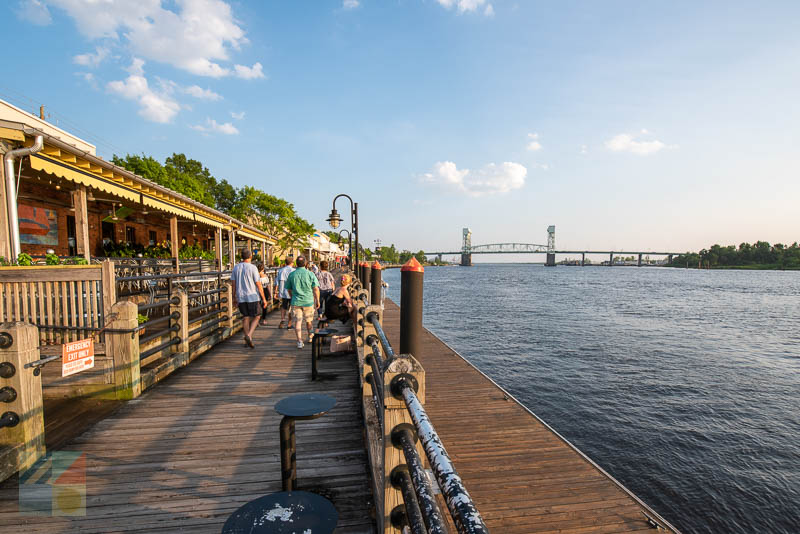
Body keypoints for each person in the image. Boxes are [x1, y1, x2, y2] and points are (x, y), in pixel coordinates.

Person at [230, 249, 268, 349]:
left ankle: (247, 339)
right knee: (257, 316)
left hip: (241, 296)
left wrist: (233, 297)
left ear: (241, 257)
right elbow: (258, 284)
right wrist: (264, 298)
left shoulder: (236, 268)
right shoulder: (253, 268)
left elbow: (233, 284)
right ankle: (249, 335)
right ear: (250, 256)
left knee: (245, 317)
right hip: (252, 296)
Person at [285, 256, 320, 349]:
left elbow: (288, 288)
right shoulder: (310, 274)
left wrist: (292, 296)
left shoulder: (292, 274)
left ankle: (299, 341)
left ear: (296, 264)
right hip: (308, 301)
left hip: (296, 301)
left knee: (298, 322)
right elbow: (316, 289)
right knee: (309, 321)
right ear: (305, 263)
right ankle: (310, 336)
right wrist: (318, 300)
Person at [275, 258, 294, 329]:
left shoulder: (281, 270)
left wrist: (276, 291)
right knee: (290, 308)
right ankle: (289, 323)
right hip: (291, 292)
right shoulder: (293, 270)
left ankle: (282, 320)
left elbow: (277, 281)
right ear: (292, 263)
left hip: (283, 291)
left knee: (283, 306)